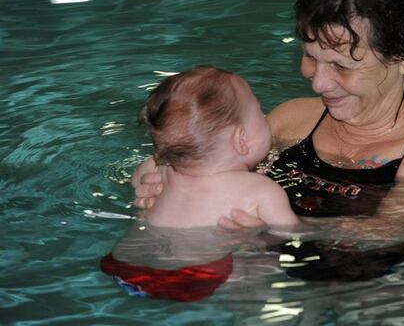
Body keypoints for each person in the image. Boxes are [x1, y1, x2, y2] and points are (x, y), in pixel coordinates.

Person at [131, 0, 404, 278]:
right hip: (284, 277)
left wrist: (275, 228)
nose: (318, 83)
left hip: (391, 280)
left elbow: (386, 233)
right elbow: (207, 157)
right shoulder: (293, 121)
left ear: (403, 53)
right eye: (310, 57)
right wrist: (158, 174)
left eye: (341, 66)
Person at [101, 65, 300, 300]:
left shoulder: (163, 168)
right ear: (241, 139)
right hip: (199, 275)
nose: (265, 117)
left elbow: (137, 179)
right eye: (259, 112)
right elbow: (292, 233)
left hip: (126, 263)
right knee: (265, 262)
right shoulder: (260, 190)